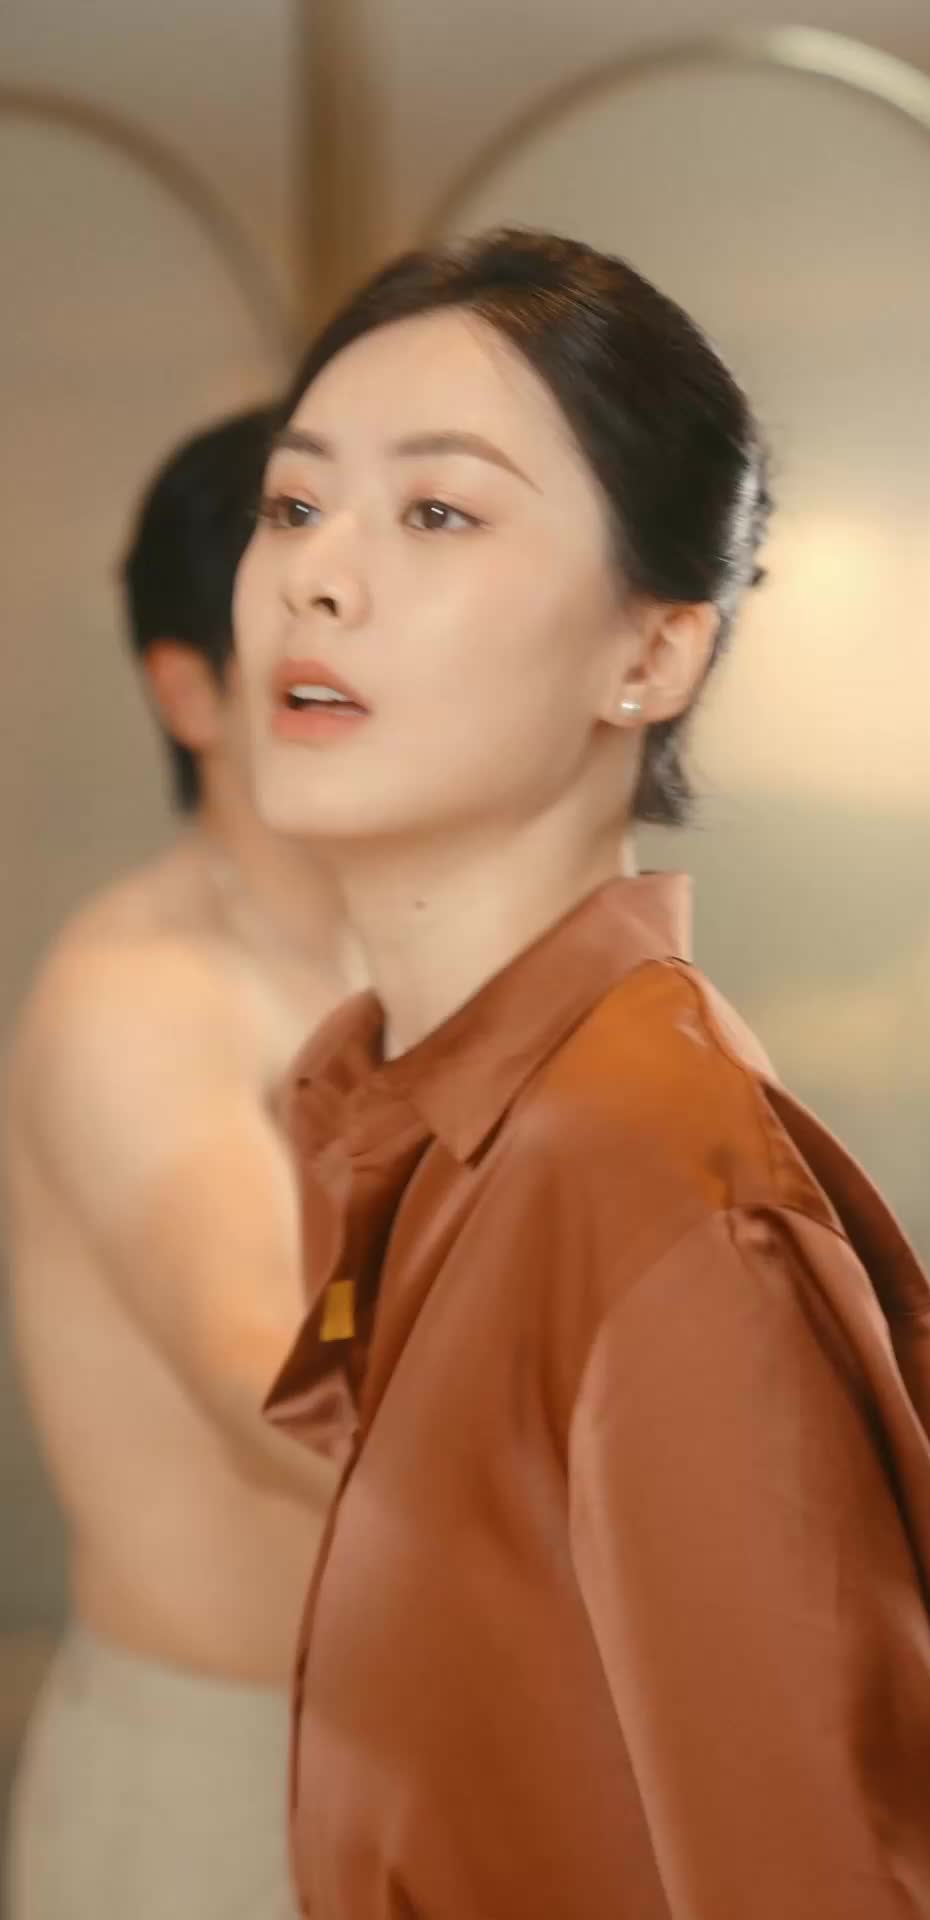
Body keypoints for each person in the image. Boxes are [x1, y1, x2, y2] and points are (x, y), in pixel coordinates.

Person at [234, 228, 930, 1918]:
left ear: (653, 655)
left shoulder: (657, 1191)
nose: (316, 577)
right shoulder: (429, 1125)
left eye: (437, 513)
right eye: (294, 504)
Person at [4, 409, 365, 1920]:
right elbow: (279, 1384)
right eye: (306, 635)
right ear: (185, 690)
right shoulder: (137, 994)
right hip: (216, 1783)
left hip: (409, 1751)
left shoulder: (405, 962)